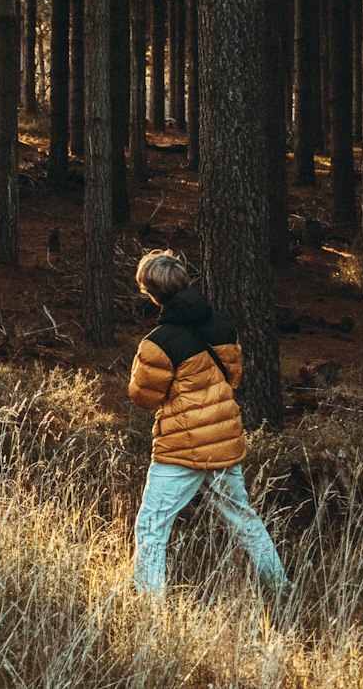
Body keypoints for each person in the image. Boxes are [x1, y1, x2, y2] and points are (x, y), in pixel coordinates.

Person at [128, 249, 288, 597]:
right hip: (224, 440)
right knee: (242, 518)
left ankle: (146, 604)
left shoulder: (157, 343)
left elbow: (144, 397)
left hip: (179, 449)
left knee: (152, 525)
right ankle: (279, 585)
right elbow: (233, 377)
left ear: (152, 292)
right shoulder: (224, 326)